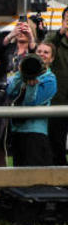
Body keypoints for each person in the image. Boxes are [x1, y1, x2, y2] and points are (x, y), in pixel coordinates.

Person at [6, 53, 57, 167]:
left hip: (35, 132)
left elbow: (32, 104)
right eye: (39, 51)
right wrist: (20, 73)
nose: (42, 55)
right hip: (17, 130)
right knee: (19, 174)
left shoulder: (50, 79)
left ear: (51, 59)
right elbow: (10, 91)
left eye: (46, 52)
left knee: (35, 175)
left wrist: (32, 87)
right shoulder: (22, 74)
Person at [42, 8, 68, 165]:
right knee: (56, 144)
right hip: (58, 102)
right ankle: (60, 182)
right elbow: (47, 46)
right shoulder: (55, 40)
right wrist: (61, 32)